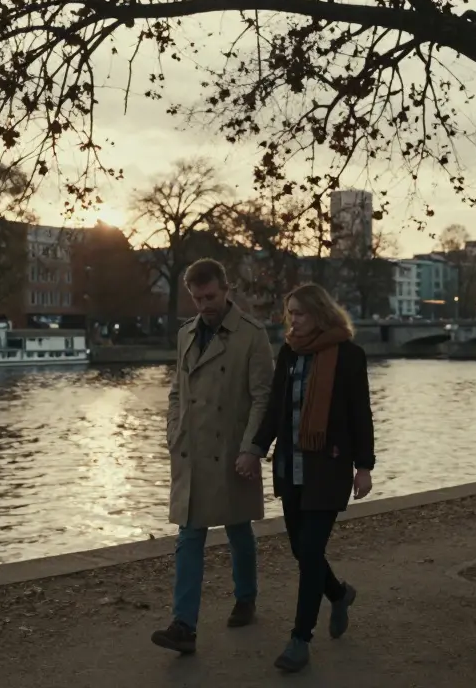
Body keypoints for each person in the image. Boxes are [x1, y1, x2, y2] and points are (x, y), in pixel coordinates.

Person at [243, 282, 375, 673]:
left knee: (311, 550)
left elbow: (360, 413)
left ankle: (300, 638)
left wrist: (364, 466)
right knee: (303, 550)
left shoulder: (349, 356)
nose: (293, 320)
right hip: (291, 468)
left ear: (320, 312)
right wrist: (255, 448)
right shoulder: (289, 353)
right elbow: (276, 410)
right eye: (290, 313)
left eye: (299, 313)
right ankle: (338, 594)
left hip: (328, 468)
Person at [151, 258, 274, 655]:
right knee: (189, 536)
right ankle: (184, 625)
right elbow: (176, 391)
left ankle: (246, 596)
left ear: (226, 289)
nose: (204, 304)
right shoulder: (186, 334)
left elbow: (263, 398)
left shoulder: (252, 335)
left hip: (232, 450)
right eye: (197, 298)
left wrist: (252, 449)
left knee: (238, 529)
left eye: (210, 296)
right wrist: (173, 431)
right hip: (191, 450)